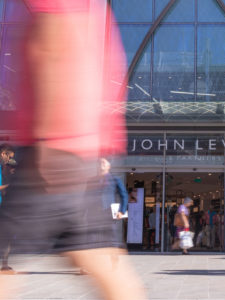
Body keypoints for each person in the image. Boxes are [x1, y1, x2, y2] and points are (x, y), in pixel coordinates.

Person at [0, 1, 145, 299]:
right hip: (81, 153)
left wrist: (48, 142)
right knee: (100, 261)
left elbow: (54, 43)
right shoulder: (92, 6)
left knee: (4, 259)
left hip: (50, 154)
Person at [0, 144, 16, 274]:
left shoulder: (3, 167)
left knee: (6, 235)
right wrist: (10, 186)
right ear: (3, 153)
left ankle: (5, 265)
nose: (9, 160)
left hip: (3, 207)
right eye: (9, 157)